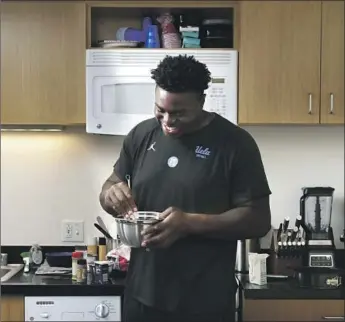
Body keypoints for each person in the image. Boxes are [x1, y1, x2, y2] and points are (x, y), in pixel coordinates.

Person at [99, 55, 272, 322]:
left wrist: (189, 223)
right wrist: (110, 194)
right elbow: (112, 183)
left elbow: (258, 220)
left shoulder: (236, 144)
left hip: (205, 302)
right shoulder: (141, 135)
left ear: (202, 102)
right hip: (141, 297)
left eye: (179, 113)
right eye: (160, 109)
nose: (168, 120)